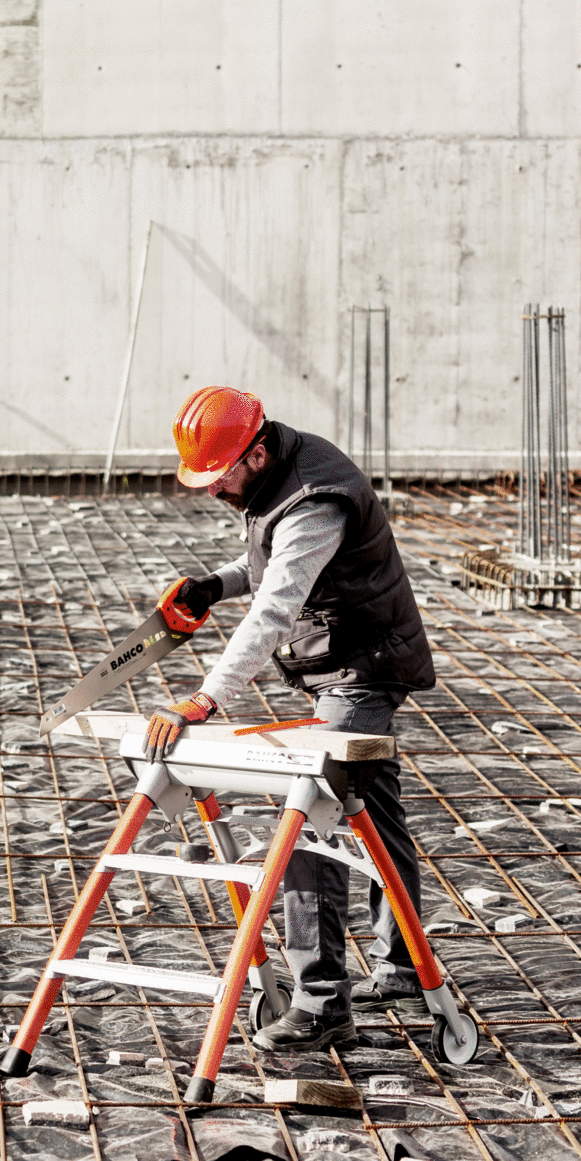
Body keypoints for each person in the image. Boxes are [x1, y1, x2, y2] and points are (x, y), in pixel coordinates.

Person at [142, 385, 436, 1053]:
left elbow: (277, 606)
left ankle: (321, 1000)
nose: (215, 491)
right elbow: (267, 564)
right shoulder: (280, 474)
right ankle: (404, 969)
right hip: (348, 659)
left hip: (362, 668)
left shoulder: (315, 499)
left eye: (221, 477)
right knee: (375, 815)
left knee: (311, 819)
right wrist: (214, 583)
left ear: (259, 450)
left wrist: (206, 697)